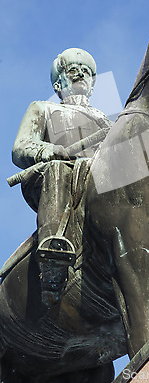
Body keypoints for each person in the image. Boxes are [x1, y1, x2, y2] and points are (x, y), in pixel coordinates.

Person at [11, 48, 113, 306]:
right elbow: (21, 147)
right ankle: (53, 255)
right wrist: (49, 150)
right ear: (59, 84)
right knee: (60, 170)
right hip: (57, 181)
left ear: (92, 86)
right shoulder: (43, 109)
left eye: (86, 72)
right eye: (72, 70)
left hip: (98, 181)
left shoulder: (108, 121)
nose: (80, 74)